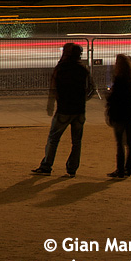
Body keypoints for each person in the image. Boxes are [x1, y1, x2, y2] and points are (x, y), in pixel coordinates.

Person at [32, 42, 94, 177]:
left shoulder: (61, 68)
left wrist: (51, 104)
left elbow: (53, 88)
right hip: (79, 109)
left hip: (64, 109)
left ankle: (46, 165)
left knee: (53, 138)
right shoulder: (83, 68)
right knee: (76, 141)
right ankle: (72, 168)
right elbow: (91, 89)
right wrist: (83, 99)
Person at [105, 54, 131, 178]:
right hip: (128, 111)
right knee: (129, 141)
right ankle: (127, 168)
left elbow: (115, 98)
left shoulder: (119, 80)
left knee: (120, 142)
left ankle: (120, 169)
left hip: (119, 112)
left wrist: (109, 96)